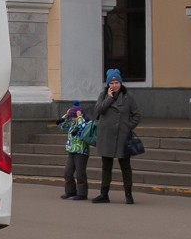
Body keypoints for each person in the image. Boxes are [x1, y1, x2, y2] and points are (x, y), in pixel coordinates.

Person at [92, 68, 142, 204]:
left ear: (120, 83)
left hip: (122, 136)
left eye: (116, 83)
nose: (114, 85)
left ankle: (128, 194)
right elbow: (98, 109)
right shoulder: (103, 95)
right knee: (106, 166)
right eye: (111, 83)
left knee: (125, 166)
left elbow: (137, 115)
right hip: (106, 135)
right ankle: (104, 194)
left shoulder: (128, 96)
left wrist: (128, 127)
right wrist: (109, 98)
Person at [58, 102, 90, 200]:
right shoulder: (71, 124)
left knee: (80, 173)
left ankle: (82, 193)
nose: (73, 119)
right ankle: (70, 191)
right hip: (71, 151)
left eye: (74, 116)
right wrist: (66, 115)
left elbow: (83, 128)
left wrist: (80, 118)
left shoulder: (85, 123)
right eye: (72, 117)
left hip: (81, 152)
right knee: (67, 172)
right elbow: (61, 125)